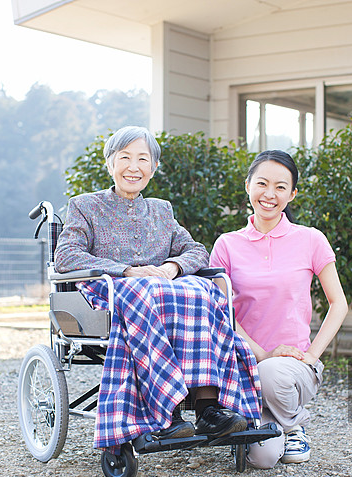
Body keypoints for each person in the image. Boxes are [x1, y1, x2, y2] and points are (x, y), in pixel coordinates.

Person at [54, 126, 262, 452]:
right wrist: (128, 270)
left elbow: (195, 251)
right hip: (109, 291)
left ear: (152, 168)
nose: (133, 167)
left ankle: (209, 409)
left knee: (203, 292)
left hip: (162, 293)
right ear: (110, 164)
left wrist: (171, 267)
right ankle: (163, 413)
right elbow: (66, 255)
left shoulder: (162, 210)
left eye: (142, 159)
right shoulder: (85, 206)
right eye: (124, 158)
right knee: (143, 293)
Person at [209, 149, 348, 468]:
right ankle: (262, 423)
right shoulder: (227, 245)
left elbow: (338, 303)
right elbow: (222, 311)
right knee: (263, 459)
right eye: (262, 183)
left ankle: (294, 425)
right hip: (246, 363)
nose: (269, 194)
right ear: (247, 186)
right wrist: (261, 354)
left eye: (281, 187)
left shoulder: (311, 240)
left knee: (273, 373)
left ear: (293, 193)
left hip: (293, 366)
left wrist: (312, 356)